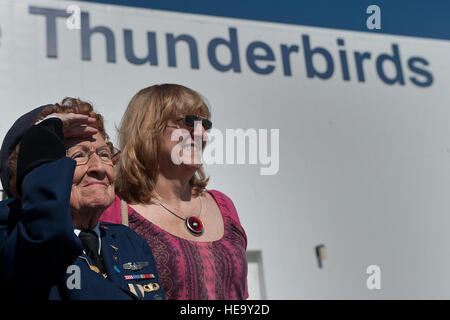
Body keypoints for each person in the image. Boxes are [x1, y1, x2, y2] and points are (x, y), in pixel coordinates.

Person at [0, 98, 165, 300]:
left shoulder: (129, 241)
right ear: (34, 171)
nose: (100, 168)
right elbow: (46, 234)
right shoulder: (12, 237)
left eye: (105, 154)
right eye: (79, 156)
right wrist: (44, 136)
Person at [100, 84, 248, 300]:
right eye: (188, 122)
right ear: (148, 128)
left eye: (205, 124)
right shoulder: (112, 209)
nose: (200, 133)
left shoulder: (223, 206)